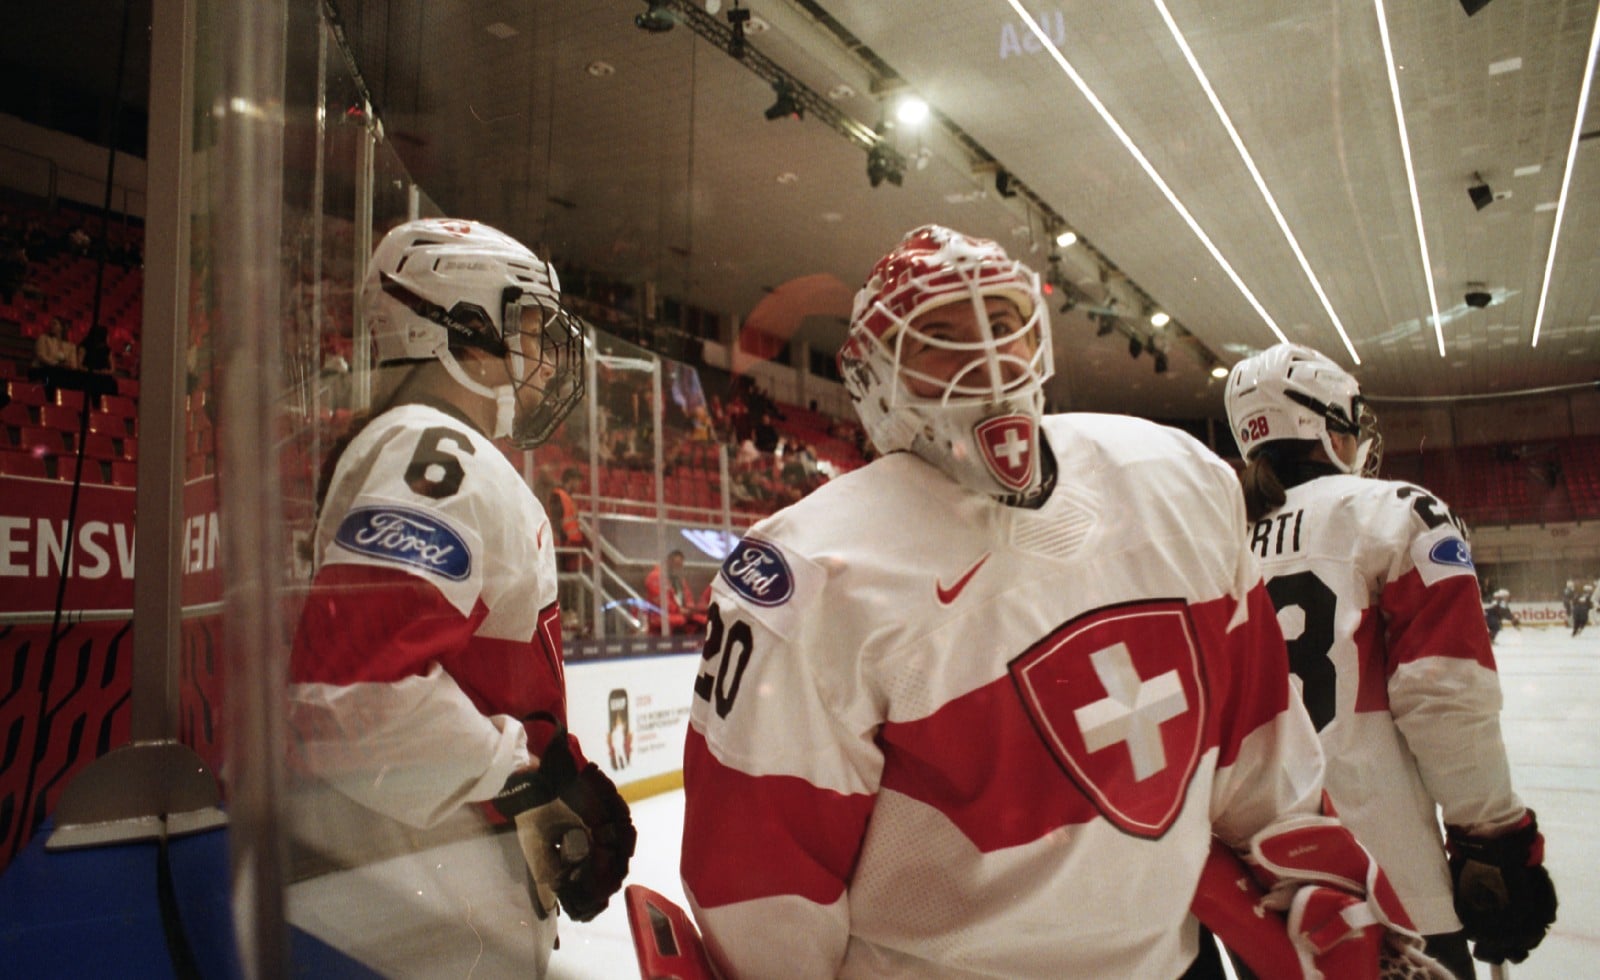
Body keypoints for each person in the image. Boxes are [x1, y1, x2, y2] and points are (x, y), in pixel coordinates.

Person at [680, 226, 1442, 979]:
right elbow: (761, 881)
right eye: (942, 337)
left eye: (1002, 324)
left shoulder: (1176, 477)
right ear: (873, 374)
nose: (988, 357)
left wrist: (1317, 879)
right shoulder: (808, 570)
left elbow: (1256, 741)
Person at [286, 218, 634, 976]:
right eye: (529, 328)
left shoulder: (427, 447)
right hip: (430, 903)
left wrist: (555, 770)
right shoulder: (436, 454)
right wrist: (528, 783)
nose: (544, 356)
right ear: (466, 331)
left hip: (437, 888)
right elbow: (351, 693)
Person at [1225, 342, 1558, 977]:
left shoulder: (1216, 541)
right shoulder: (1398, 512)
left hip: (1261, 896)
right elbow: (1445, 692)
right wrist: (1493, 840)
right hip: (1390, 890)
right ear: (1324, 427)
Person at [644, 548, 707, 635]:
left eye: (679, 565)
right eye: (675, 564)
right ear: (668, 562)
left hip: (680, 613)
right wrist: (679, 610)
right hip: (661, 615)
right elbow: (661, 601)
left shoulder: (678, 579)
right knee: (682, 621)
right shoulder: (655, 577)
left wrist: (691, 608)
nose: (677, 568)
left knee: (704, 621)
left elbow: (688, 596)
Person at [546, 466, 588, 573]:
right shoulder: (558, 495)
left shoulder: (568, 497)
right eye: (578, 481)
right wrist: (563, 538)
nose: (579, 484)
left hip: (569, 548)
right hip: (561, 548)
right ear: (570, 480)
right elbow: (555, 521)